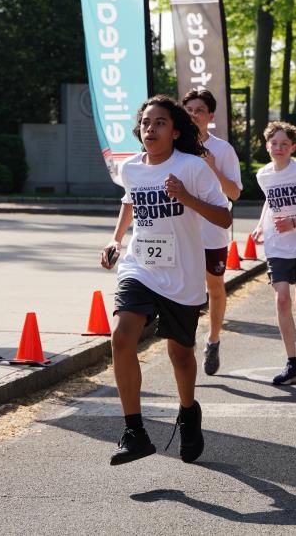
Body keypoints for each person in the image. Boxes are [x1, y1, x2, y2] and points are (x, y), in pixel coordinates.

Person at [100, 96, 232, 466]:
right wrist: (116, 239)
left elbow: (223, 217)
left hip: (181, 274)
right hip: (140, 267)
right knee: (121, 337)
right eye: (146, 122)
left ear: (174, 131)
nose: (151, 129)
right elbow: (130, 201)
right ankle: (135, 432)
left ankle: (188, 412)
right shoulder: (131, 168)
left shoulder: (191, 167)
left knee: (180, 354)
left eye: (160, 123)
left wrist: (185, 196)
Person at [182, 89, 243, 376]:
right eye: (189, 110)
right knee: (184, 288)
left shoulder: (223, 150)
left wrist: (213, 168)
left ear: (210, 116)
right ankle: (185, 340)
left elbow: (235, 193)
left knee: (214, 288)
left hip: (213, 232)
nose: (194, 115)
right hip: (181, 230)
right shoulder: (175, 146)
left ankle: (213, 340)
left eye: (199, 111)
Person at [252, 121, 296, 385]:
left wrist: (295, 222)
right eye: (274, 143)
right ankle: (292, 364)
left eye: (284, 144)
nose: (279, 148)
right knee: (281, 300)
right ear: (267, 146)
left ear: (293, 147)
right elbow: (270, 201)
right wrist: (260, 226)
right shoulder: (263, 175)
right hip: (276, 245)